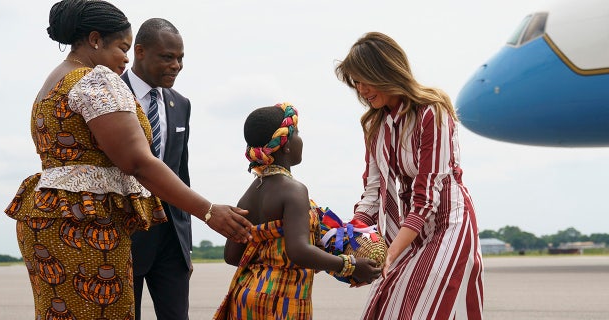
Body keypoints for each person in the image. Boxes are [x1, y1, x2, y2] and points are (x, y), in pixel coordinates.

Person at [3, 1, 252, 319]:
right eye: (122, 47)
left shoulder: (52, 82)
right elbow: (137, 162)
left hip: (52, 218)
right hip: (86, 222)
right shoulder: (95, 81)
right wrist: (208, 211)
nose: (125, 58)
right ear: (95, 40)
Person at [335, 32, 484, 319]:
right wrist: (347, 239)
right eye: (356, 82)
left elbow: (427, 197)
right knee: (385, 309)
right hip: (403, 230)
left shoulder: (433, 112)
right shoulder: (375, 126)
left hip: (445, 224)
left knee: (422, 309)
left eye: (365, 78)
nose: (361, 89)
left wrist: (389, 253)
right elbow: (372, 194)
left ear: (386, 70)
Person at [213, 103, 382, 320]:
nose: (301, 139)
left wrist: (279, 259)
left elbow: (231, 255)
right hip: (281, 301)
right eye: (297, 134)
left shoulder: (249, 194)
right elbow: (299, 250)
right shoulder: (294, 190)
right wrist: (350, 265)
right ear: (286, 146)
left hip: (246, 296)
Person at [119, 18, 193, 320]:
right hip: (125, 234)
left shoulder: (181, 104)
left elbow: (181, 173)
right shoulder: (110, 94)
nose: (176, 65)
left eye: (180, 58)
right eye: (167, 57)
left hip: (170, 241)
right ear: (139, 51)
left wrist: (185, 245)